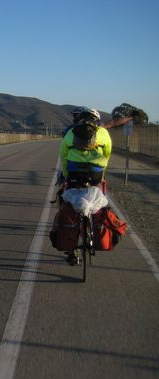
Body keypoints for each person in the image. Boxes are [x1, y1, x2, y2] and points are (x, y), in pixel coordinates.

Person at [59, 107, 112, 265]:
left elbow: (63, 156)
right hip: (95, 174)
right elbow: (107, 154)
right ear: (97, 121)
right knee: (99, 199)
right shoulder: (103, 133)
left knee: (68, 203)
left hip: (74, 174)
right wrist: (102, 171)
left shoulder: (70, 133)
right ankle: (96, 226)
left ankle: (72, 249)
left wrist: (67, 175)